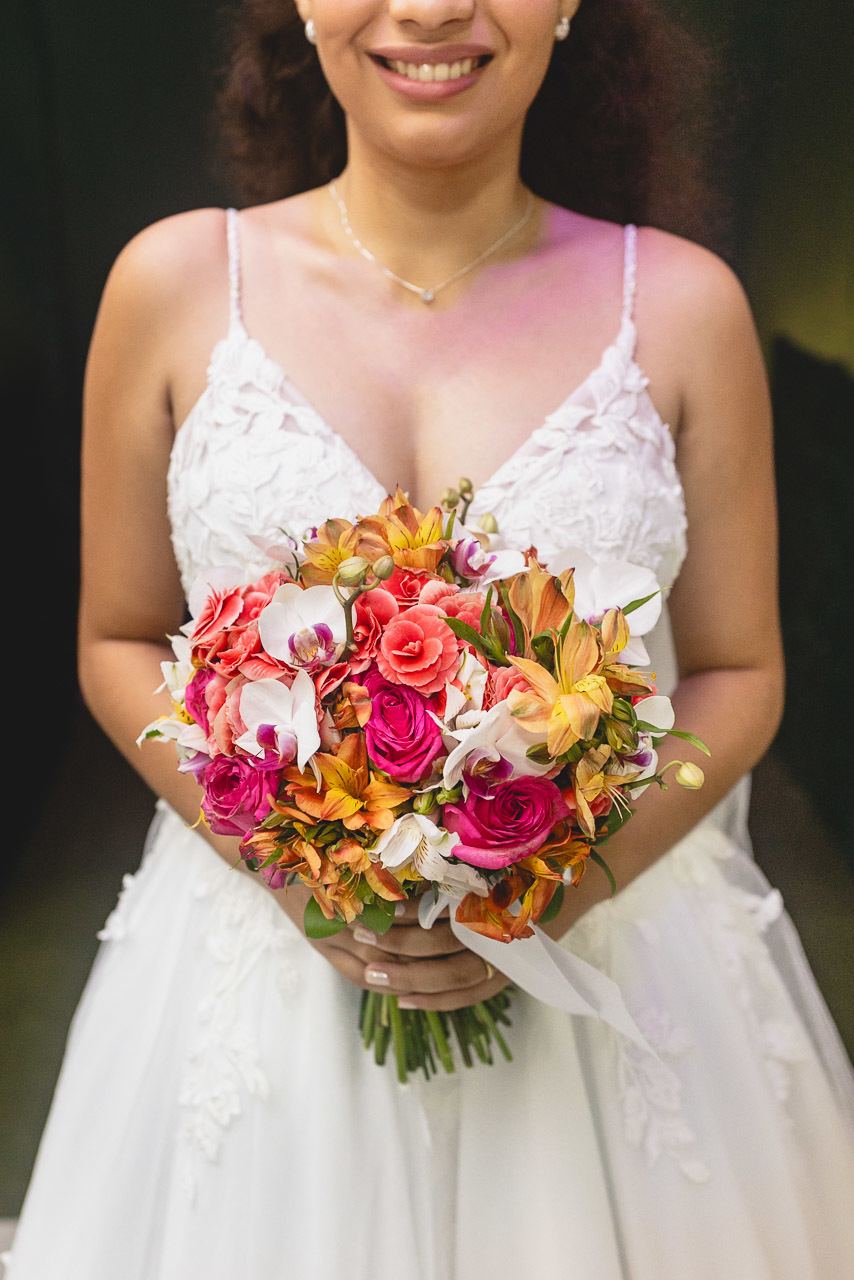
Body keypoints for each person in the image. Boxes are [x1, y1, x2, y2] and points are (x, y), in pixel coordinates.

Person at [6, 1, 854, 1276]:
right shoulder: (173, 284)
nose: (431, 8)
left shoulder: (684, 307)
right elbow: (118, 636)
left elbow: (739, 672)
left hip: (611, 975)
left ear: (564, 5)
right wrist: (295, 866)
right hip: (257, 981)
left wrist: (559, 888)